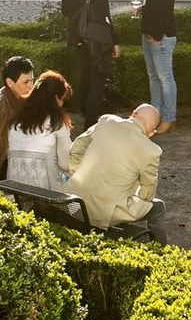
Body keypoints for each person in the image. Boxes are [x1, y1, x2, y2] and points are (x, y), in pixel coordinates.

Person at [68, 103, 167, 242]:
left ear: (133, 113)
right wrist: (134, 199)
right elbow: (147, 192)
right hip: (104, 215)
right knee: (158, 207)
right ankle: (160, 251)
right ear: (152, 131)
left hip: (73, 201)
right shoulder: (151, 150)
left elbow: (75, 149)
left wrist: (78, 172)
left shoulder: (106, 121)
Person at [62, 0, 120, 123]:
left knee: (84, 76)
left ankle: (82, 112)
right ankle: (90, 121)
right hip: (94, 38)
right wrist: (115, 41)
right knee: (97, 79)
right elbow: (105, 15)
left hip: (76, 35)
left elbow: (65, 10)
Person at [136, 0, 179, 134]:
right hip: (149, 33)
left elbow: (164, 12)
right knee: (153, 76)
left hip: (160, 36)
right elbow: (153, 9)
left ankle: (169, 118)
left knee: (165, 77)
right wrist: (141, 9)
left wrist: (157, 35)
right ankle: (155, 113)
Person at [6, 70, 75, 189]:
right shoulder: (56, 123)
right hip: (45, 196)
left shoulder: (16, 121)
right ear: (55, 98)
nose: (62, 103)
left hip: (15, 194)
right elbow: (66, 164)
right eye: (62, 99)